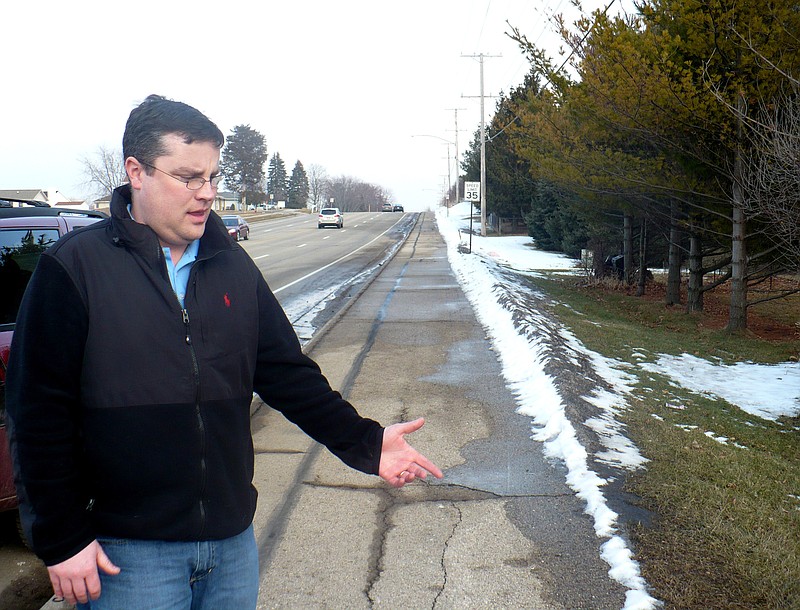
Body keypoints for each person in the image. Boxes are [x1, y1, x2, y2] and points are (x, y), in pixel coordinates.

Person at [6, 94, 442, 609]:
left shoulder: (231, 265)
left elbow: (287, 375)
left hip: (231, 546)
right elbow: (37, 415)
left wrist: (368, 443)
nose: (207, 193)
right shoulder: (74, 269)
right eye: (189, 177)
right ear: (136, 172)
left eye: (213, 176)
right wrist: (62, 539)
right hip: (127, 555)